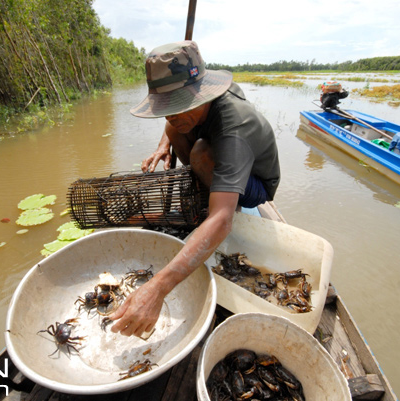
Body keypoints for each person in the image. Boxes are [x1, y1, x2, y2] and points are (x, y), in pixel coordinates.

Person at [109, 40, 280, 337]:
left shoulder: (234, 126)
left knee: (202, 156)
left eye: (176, 107)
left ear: (202, 95)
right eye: (165, 108)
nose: (169, 115)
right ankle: (209, 186)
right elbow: (172, 124)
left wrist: (157, 288)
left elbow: (222, 220)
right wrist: (164, 146)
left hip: (254, 181)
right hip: (218, 150)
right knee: (178, 129)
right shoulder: (187, 114)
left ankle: (219, 194)